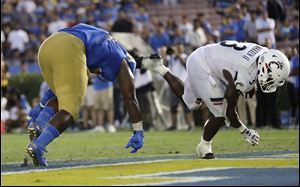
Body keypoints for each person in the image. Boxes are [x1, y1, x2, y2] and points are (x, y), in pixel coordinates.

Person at [137, 40, 290, 159]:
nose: (271, 82)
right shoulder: (242, 75)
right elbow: (230, 112)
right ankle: (204, 146)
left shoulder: (263, 52)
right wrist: (245, 132)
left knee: (190, 102)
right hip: (204, 65)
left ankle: (159, 67)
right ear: (265, 67)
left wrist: (252, 85)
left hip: (205, 54)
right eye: (271, 78)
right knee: (220, 113)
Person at [25, 23, 144, 166]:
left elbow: (60, 87)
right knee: (71, 109)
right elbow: (130, 97)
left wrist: (41, 105)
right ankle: (38, 146)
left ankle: (39, 123)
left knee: (65, 94)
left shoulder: (101, 47)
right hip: (70, 46)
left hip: (48, 45)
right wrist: (138, 131)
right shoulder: (123, 62)